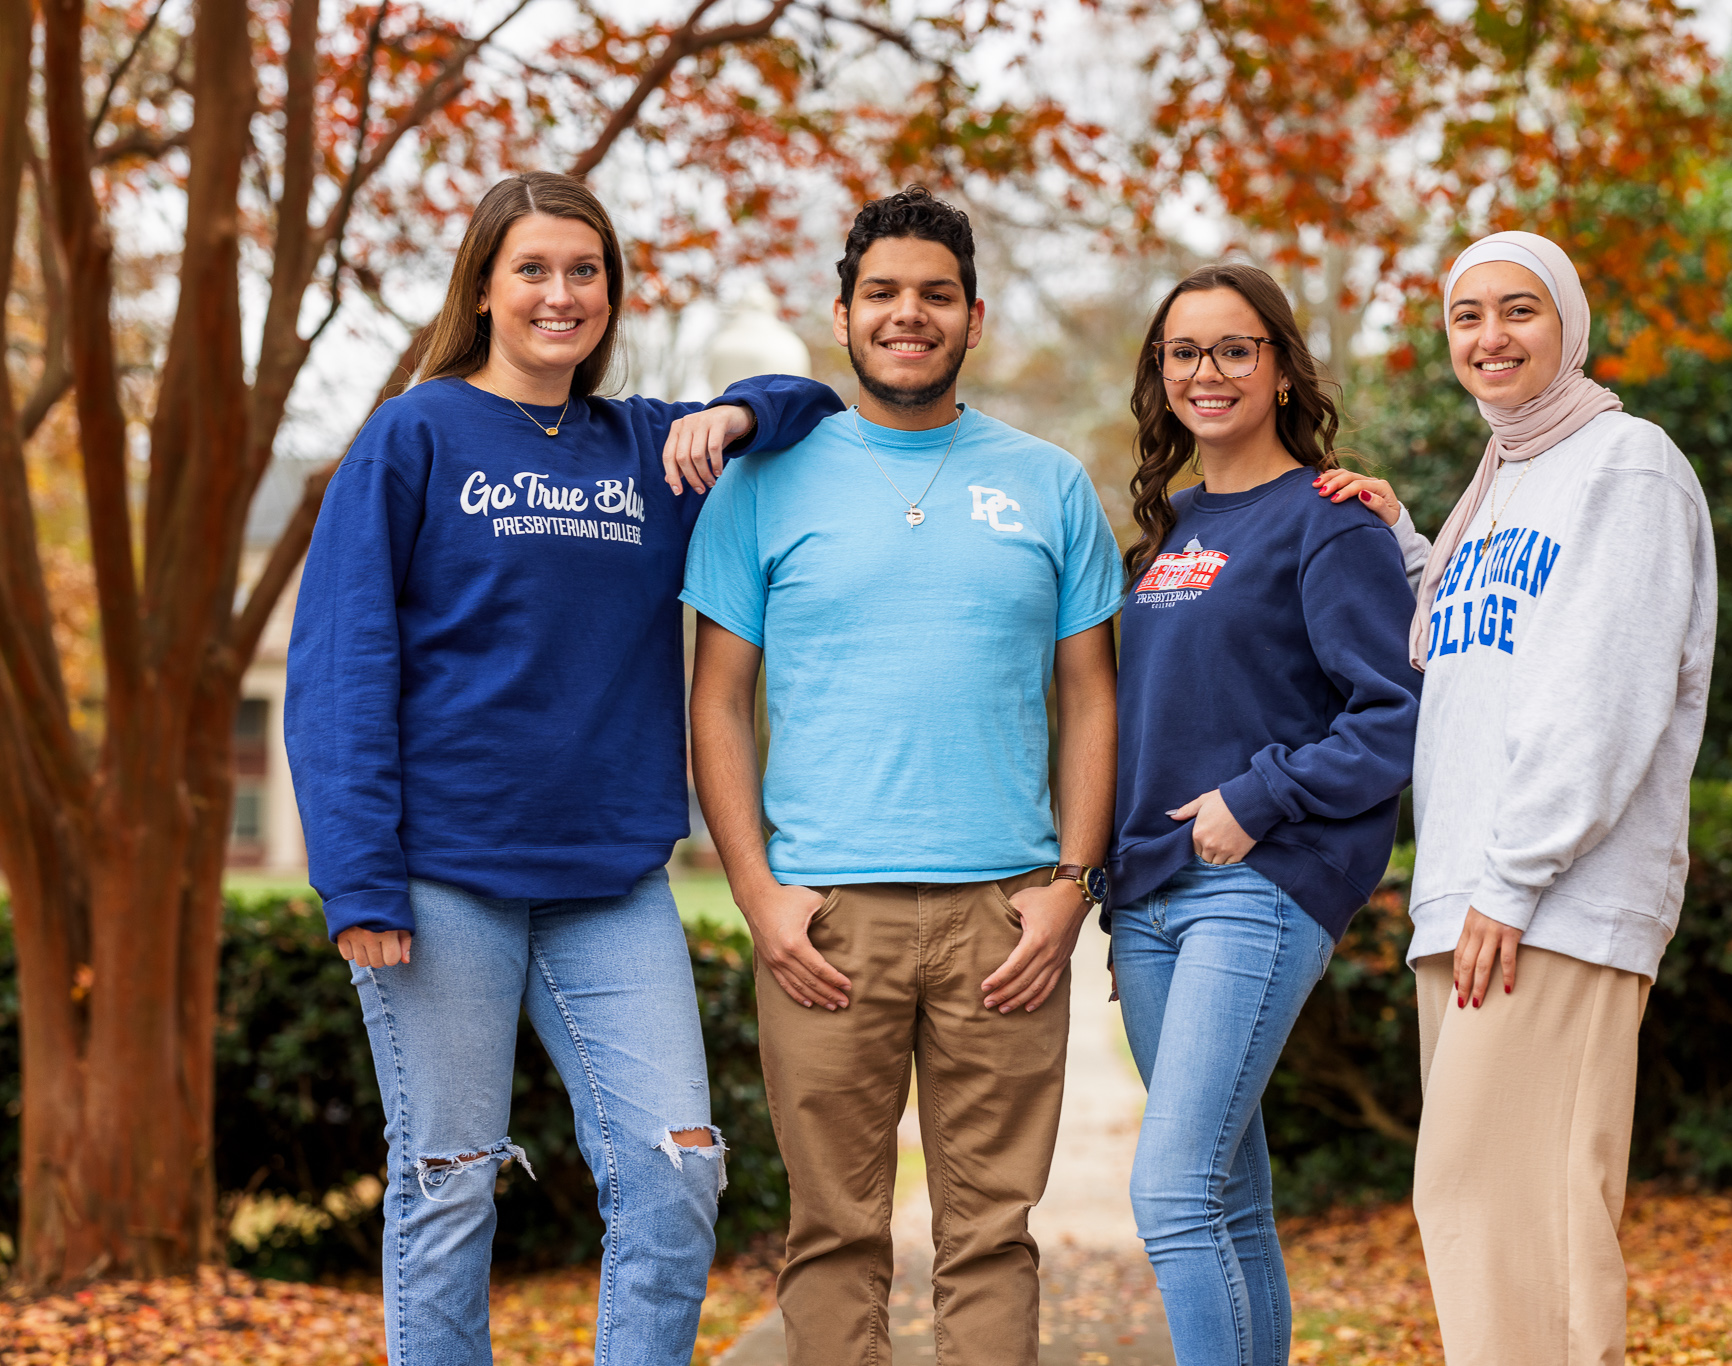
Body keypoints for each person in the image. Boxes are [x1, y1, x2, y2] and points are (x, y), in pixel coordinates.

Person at [284, 170, 842, 1366]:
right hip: (442, 878)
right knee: (447, 1184)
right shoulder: (415, 432)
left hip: (612, 881)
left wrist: (737, 415)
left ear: (611, 292)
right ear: (483, 288)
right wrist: (359, 880)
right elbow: (337, 664)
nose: (559, 293)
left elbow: (814, 403)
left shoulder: (648, 449)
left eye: (583, 270)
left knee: (678, 1165)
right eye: (531, 268)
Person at [684, 186, 1123, 1366]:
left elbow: (1091, 695)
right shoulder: (761, 483)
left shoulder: (1048, 483)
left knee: (991, 1234)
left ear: (973, 317)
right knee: (832, 1232)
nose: (907, 314)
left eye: (934, 293)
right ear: (842, 313)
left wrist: (1070, 884)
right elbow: (714, 698)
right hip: (824, 917)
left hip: (1006, 917)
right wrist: (759, 894)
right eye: (882, 292)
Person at [1317, 229, 1718, 1366]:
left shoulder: (1623, 462)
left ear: (1568, 324)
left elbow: (1603, 686)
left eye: (1517, 311)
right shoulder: (1500, 485)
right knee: (1478, 1213)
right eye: (1465, 316)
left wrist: (1514, 875)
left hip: (1550, 898)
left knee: (1518, 1210)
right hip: (1472, 897)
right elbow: (1463, 655)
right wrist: (1404, 541)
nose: (1488, 337)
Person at [1105, 263, 1421, 1366]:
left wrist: (1255, 798)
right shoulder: (1166, 531)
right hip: (1146, 903)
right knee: (1228, 1199)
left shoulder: (1324, 520)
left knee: (1171, 1191)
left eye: (1235, 348)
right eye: (1183, 352)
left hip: (1254, 884)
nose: (1208, 371)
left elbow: (1390, 717)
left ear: (1280, 367)